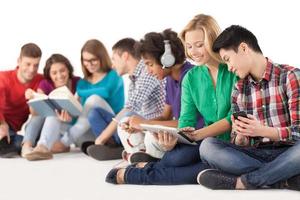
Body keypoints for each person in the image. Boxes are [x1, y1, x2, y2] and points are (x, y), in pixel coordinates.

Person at [105, 14, 237, 185]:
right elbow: (185, 120)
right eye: (189, 46)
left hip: (230, 144)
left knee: (194, 169)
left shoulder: (234, 70)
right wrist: (173, 142)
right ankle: (154, 164)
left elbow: (232, 118)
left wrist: (196, 134)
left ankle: (137, 174)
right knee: (174, 159)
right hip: (203, 141)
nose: (193, 52)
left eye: (199, 45)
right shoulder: (192, 77)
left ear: (213, 40)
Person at [198, 25, 300, 191]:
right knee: (207, 146)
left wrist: (263, 131)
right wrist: (241, 137)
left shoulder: (290, 77)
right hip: (258, 153)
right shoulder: (239, 88)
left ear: (243, 48)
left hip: (291, 151)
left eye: (227, 59)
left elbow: (299, 131)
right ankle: (283, 179)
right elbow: (239, 142)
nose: (229, 67)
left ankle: (245, 182)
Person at [113, 29, 203, 164]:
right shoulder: (170, 79)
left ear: (167, 59)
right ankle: (144, 156)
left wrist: (143, 124)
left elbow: (186, 125)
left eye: (150, 64)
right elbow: (165, 116)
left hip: (195, 135)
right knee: (126, 122)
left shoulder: (191, 77)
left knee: (151, 137)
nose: (148, 71)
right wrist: (137, 124)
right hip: (180, 134)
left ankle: (147, 158)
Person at [86, 38, 165, 160]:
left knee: (128, 113)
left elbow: (130, 108)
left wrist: (101, 138)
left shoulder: (147, 72)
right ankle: (117, 147)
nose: (112, 64)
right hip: (132, 127)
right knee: (94, 113)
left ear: (125, 56)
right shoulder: (133, 78)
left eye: (114, 59)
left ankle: (113, 146)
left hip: (147, 127)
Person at [52, 39, 125, 153]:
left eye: (93, 60)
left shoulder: (114, 74)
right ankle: (63, 143)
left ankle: (64, 142)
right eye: (85, 60)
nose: (89, 64)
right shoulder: (83, 83)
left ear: (102, 57)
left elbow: (105, 91)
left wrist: (79, 92)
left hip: (111, 127)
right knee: (56, 120)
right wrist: (68, 117)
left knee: (93, 99)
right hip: (89, 131)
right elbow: (81, 115)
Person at [21, 54, 80, 160]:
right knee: (46, 115)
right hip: (50, 128)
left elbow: (81, 113)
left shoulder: (78, 82)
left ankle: (45, 146)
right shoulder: (45, 84)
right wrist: (32, 98)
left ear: (68, 70)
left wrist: (69, 119)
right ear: (49, 74)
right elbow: (34, 114)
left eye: (62, 70)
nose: (59, 75)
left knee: (53, 115)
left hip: (70, 129)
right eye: (54, 73)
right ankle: (32, 146)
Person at [0, 43, 43, 158]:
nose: (31, 69)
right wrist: (2, 123)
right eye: (28, 64)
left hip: (13, 130)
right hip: (3, 123)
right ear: (19, 61)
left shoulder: (40, 80)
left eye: (36, 65)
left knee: (24, 142)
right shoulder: (4, 78)